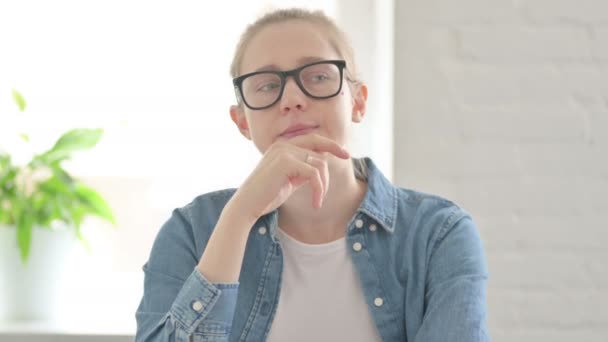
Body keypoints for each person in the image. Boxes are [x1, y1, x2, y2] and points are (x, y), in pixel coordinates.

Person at [135, 7, 489, 342]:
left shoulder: (438, 235)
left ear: (359, 102)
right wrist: (239, 215)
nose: (292, 99)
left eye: (318, 76)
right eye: (267, 85)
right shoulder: (190, 233)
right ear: (242, 121)